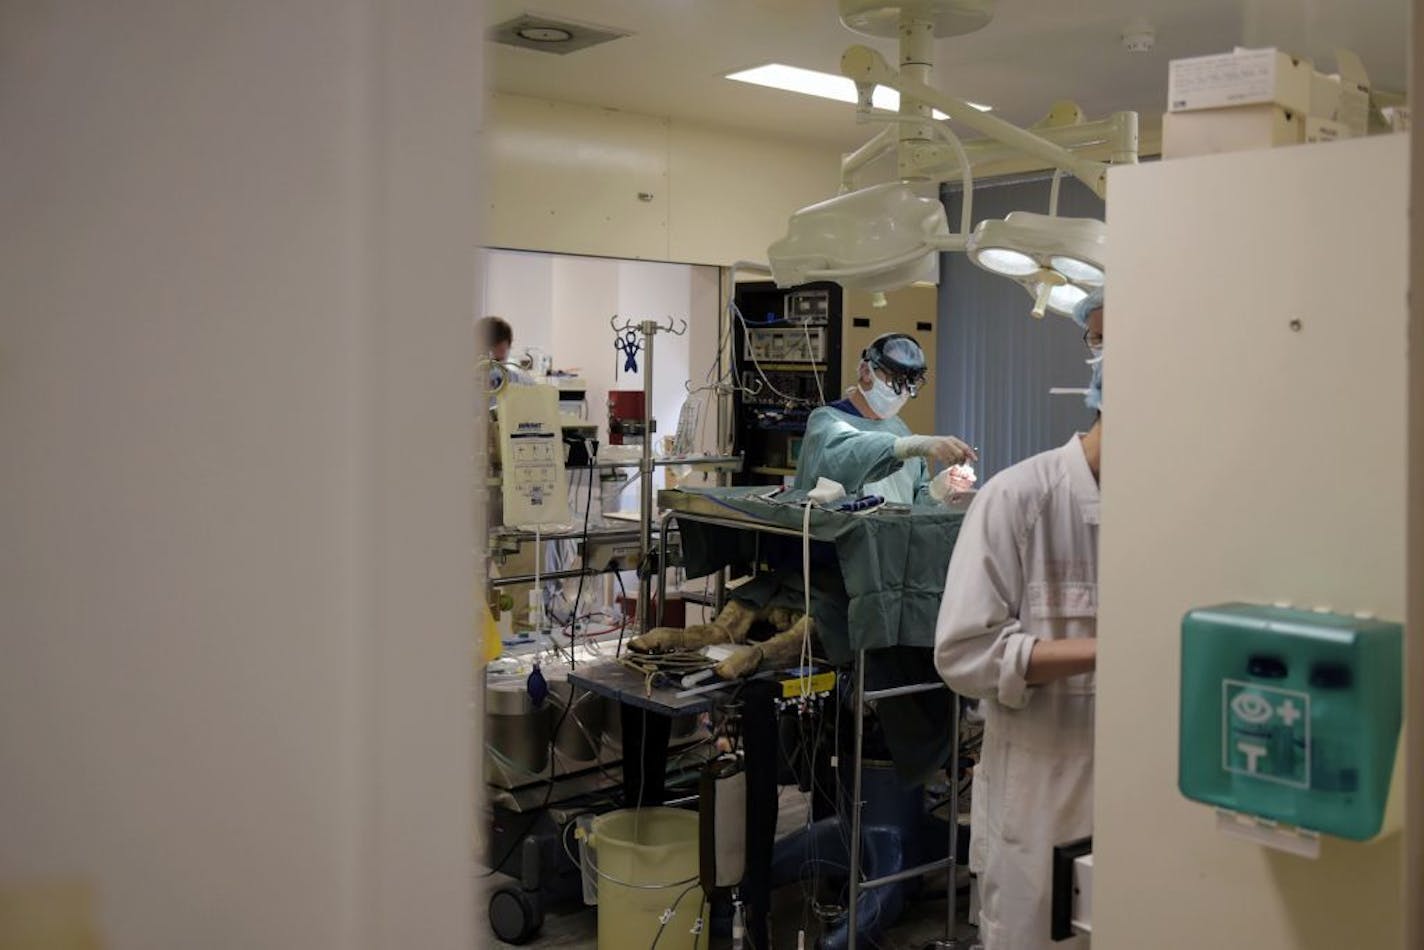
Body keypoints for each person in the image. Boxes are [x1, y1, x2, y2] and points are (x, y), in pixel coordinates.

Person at [932, 288, 1104, 950]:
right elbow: (964, 653)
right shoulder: (1019, 499)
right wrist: (1105, 649)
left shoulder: (1170, 512)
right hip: (1039, 805)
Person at [793, 332, 977, 504]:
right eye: (894, 381)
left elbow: (911, 507)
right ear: (866, 372)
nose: (902, 392)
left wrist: (938, 489)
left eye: (908, 384)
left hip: (891, 536)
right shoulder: (825, 421)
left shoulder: (898, 428)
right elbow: (848, 455)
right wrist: (912, 445)